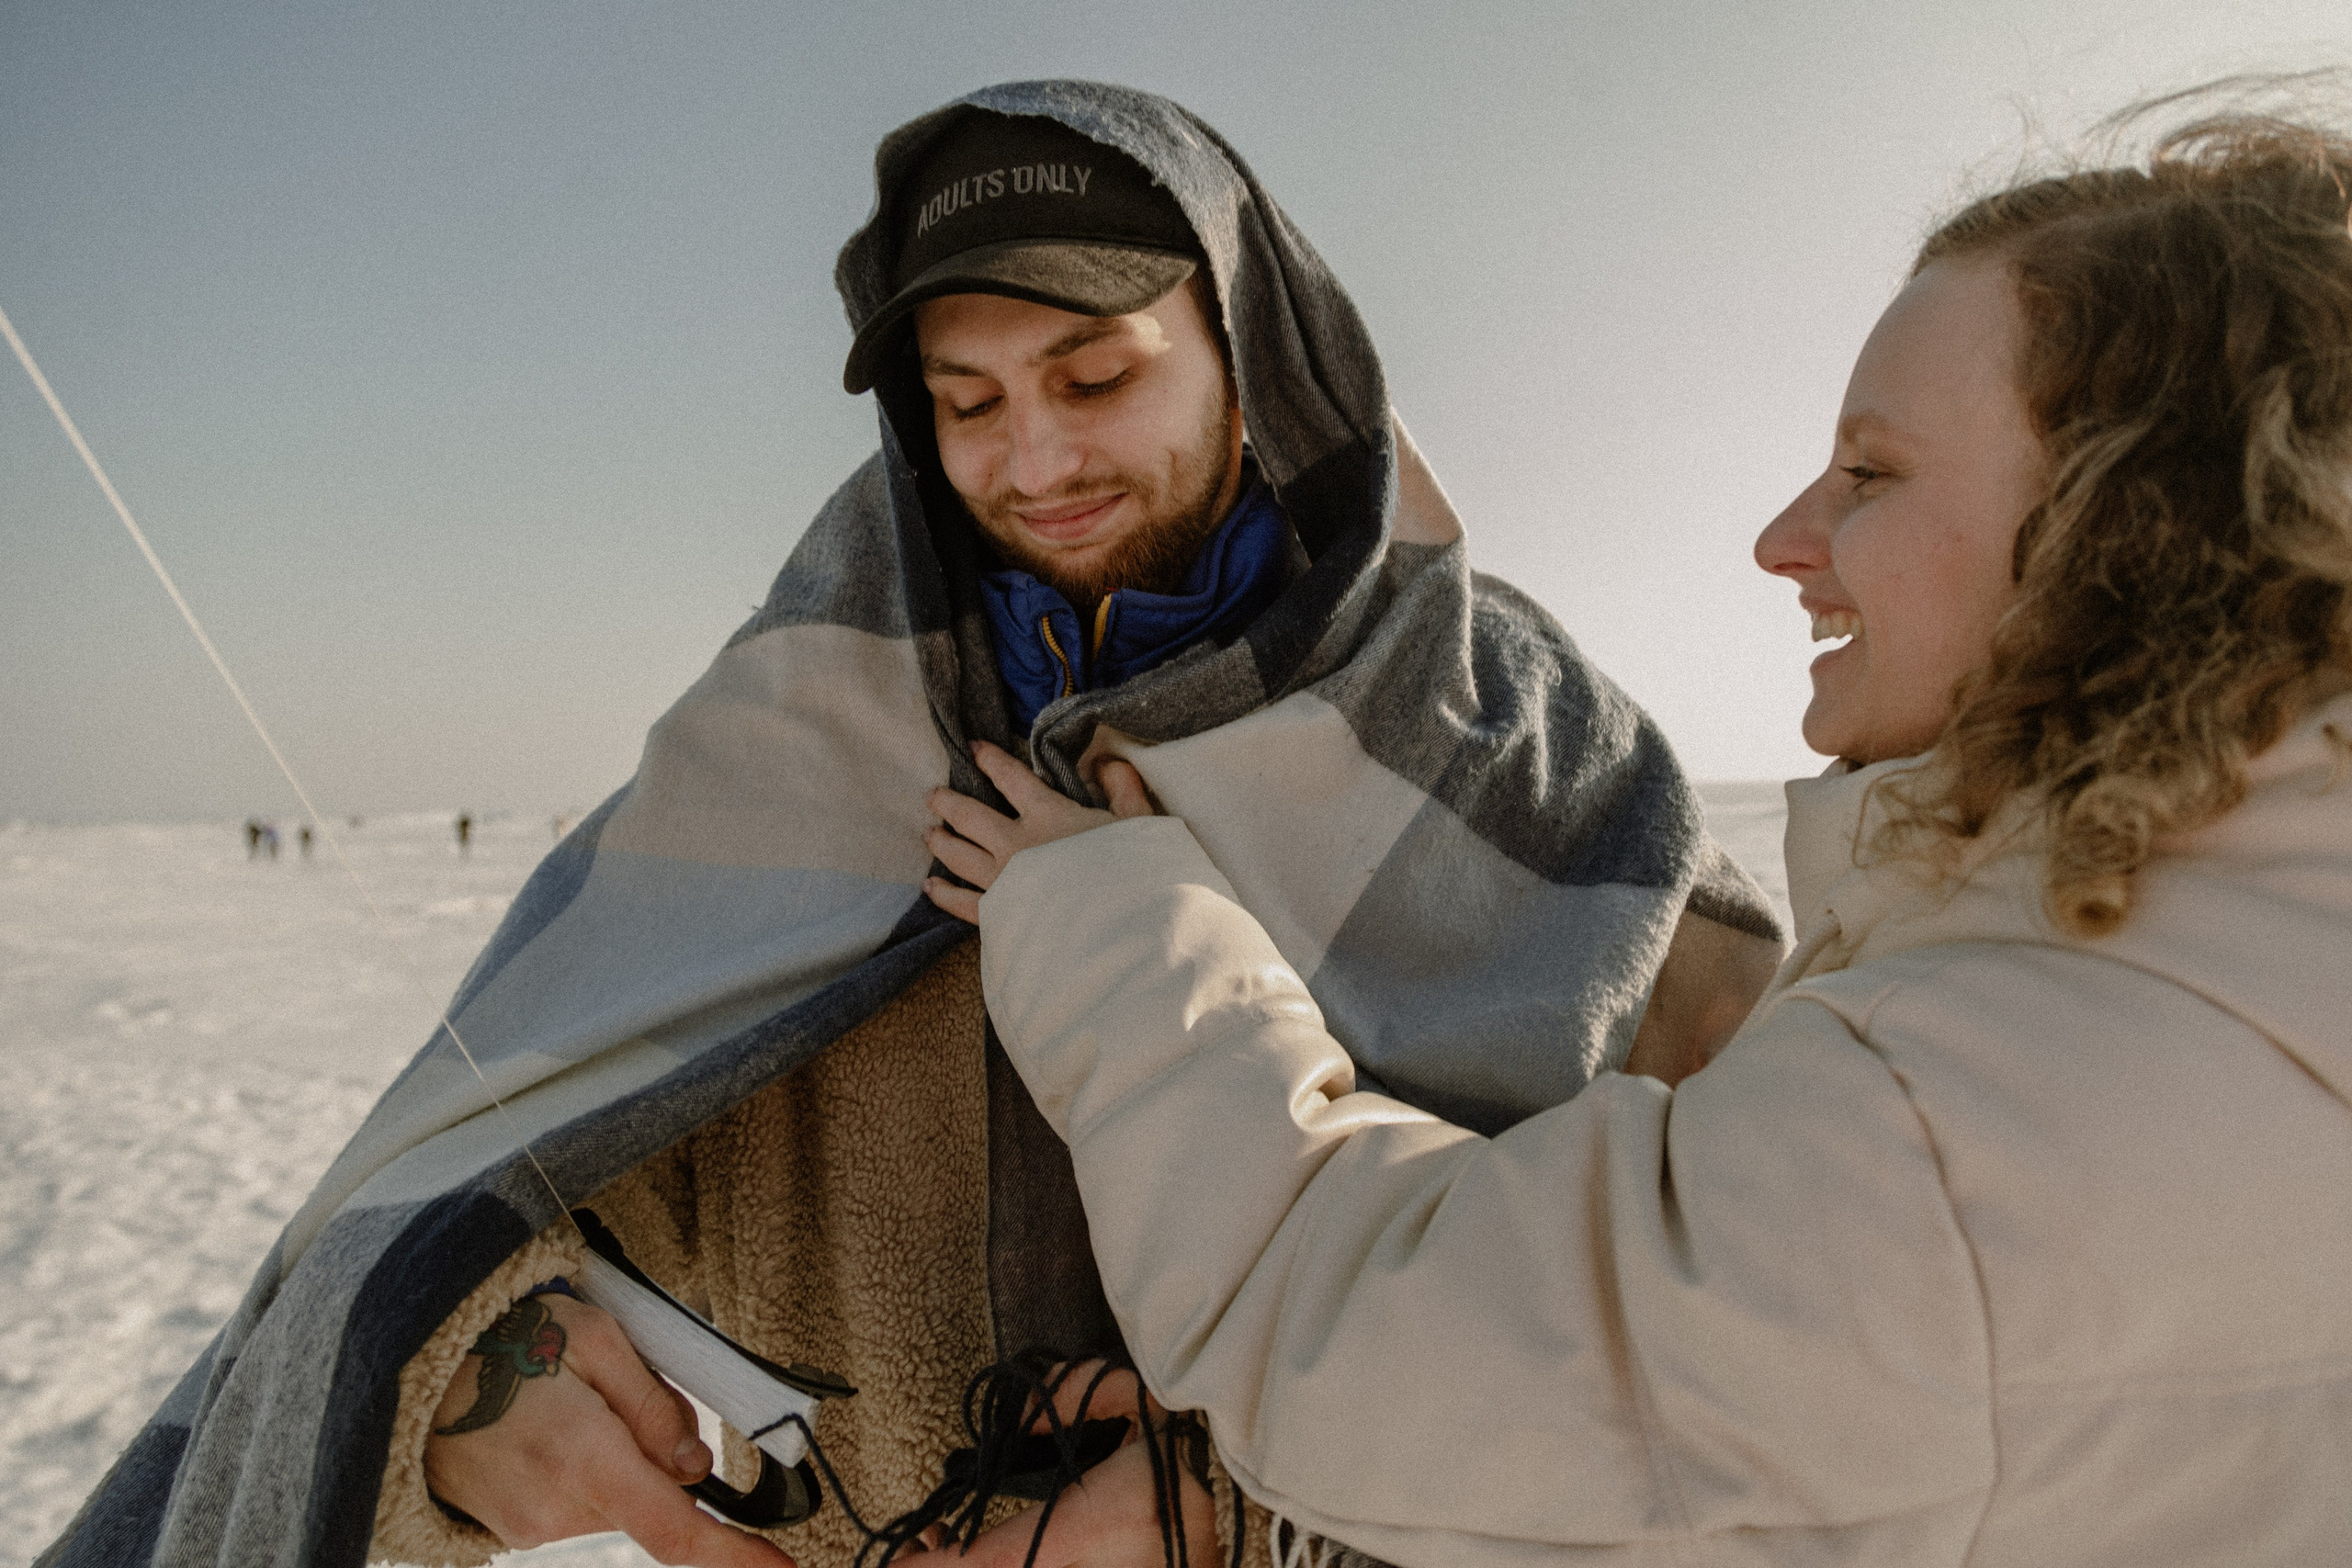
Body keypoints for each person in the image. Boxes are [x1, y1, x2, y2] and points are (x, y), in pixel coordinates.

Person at [50, 84, 1777, 1568]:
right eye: (968, 403)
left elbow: (1731, 1301)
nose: (1033, 463)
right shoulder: (813, 722)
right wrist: (466, 1410)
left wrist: (1236, 1522)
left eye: (1096, 377)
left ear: (1260, 359)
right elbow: (451, 1195)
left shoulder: (1505, 736)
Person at [927, 99, 2352, 1564]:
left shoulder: (1971, 1140)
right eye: (968, 404)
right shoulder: (2240, 945)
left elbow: (1354, 1349)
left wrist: (1111, 921)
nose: (1785, 536)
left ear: (2139, 520)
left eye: (1874, 473)